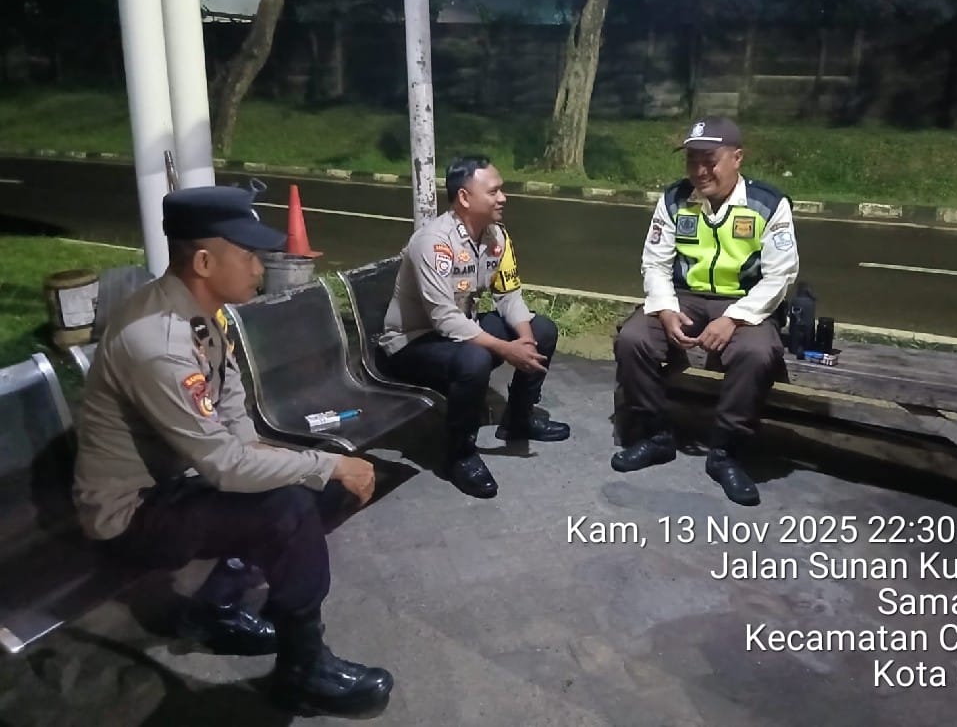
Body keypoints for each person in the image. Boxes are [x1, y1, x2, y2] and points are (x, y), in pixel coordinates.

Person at [73, 185, 393, 716]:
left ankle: (215, 606)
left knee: (320, 488)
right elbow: (225, 465)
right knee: (290, 506)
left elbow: (236, 428)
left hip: (181, 483)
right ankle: (303, 669)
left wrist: (310, 467)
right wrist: (328, 464)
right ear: (203, 262)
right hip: (131, 514)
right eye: (247, 255)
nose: (259, 268)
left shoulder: (202, 315)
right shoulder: (160, 341)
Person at [612, 117, 799, 506]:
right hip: (684, 297)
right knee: (633, 339)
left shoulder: (768, 204)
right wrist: (665, 310)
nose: (699, 171)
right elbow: (655, 264)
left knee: (757, 353)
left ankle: (726, 451)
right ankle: (655, 435)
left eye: (709, 161)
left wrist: (734, 318)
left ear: (737, 158)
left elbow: (780, 275)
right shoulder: (674, 200)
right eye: (692, 161)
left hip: (745, 301)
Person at [379, 155, 570, 499]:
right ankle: (459, 454)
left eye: (501, 190)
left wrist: (525, 342)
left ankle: (518, 419)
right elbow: (443, 317)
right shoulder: (434, 243)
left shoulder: (495, 236)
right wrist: (506, 349)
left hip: (459, 331)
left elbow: (508, 295)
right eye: (493, 191)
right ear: (465, 198)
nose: (503, 198)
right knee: (475, 359)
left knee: (542, 330)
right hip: (412, 343)